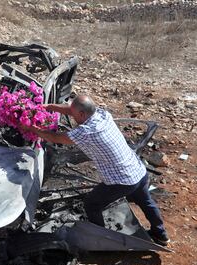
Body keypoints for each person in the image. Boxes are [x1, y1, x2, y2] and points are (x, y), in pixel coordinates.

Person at [21, 95, 170, 246]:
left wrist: (31, 128)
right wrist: (49, 107)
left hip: (121, 180)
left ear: (82, 114)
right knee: (146, 202)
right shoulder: (102, 114)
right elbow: (74, 110)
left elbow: (56, 138)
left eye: (74, 114)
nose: (72, 116)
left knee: (92, 204)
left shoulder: (86, 132)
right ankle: (161, 234)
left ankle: (101, 237)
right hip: (138, 171)